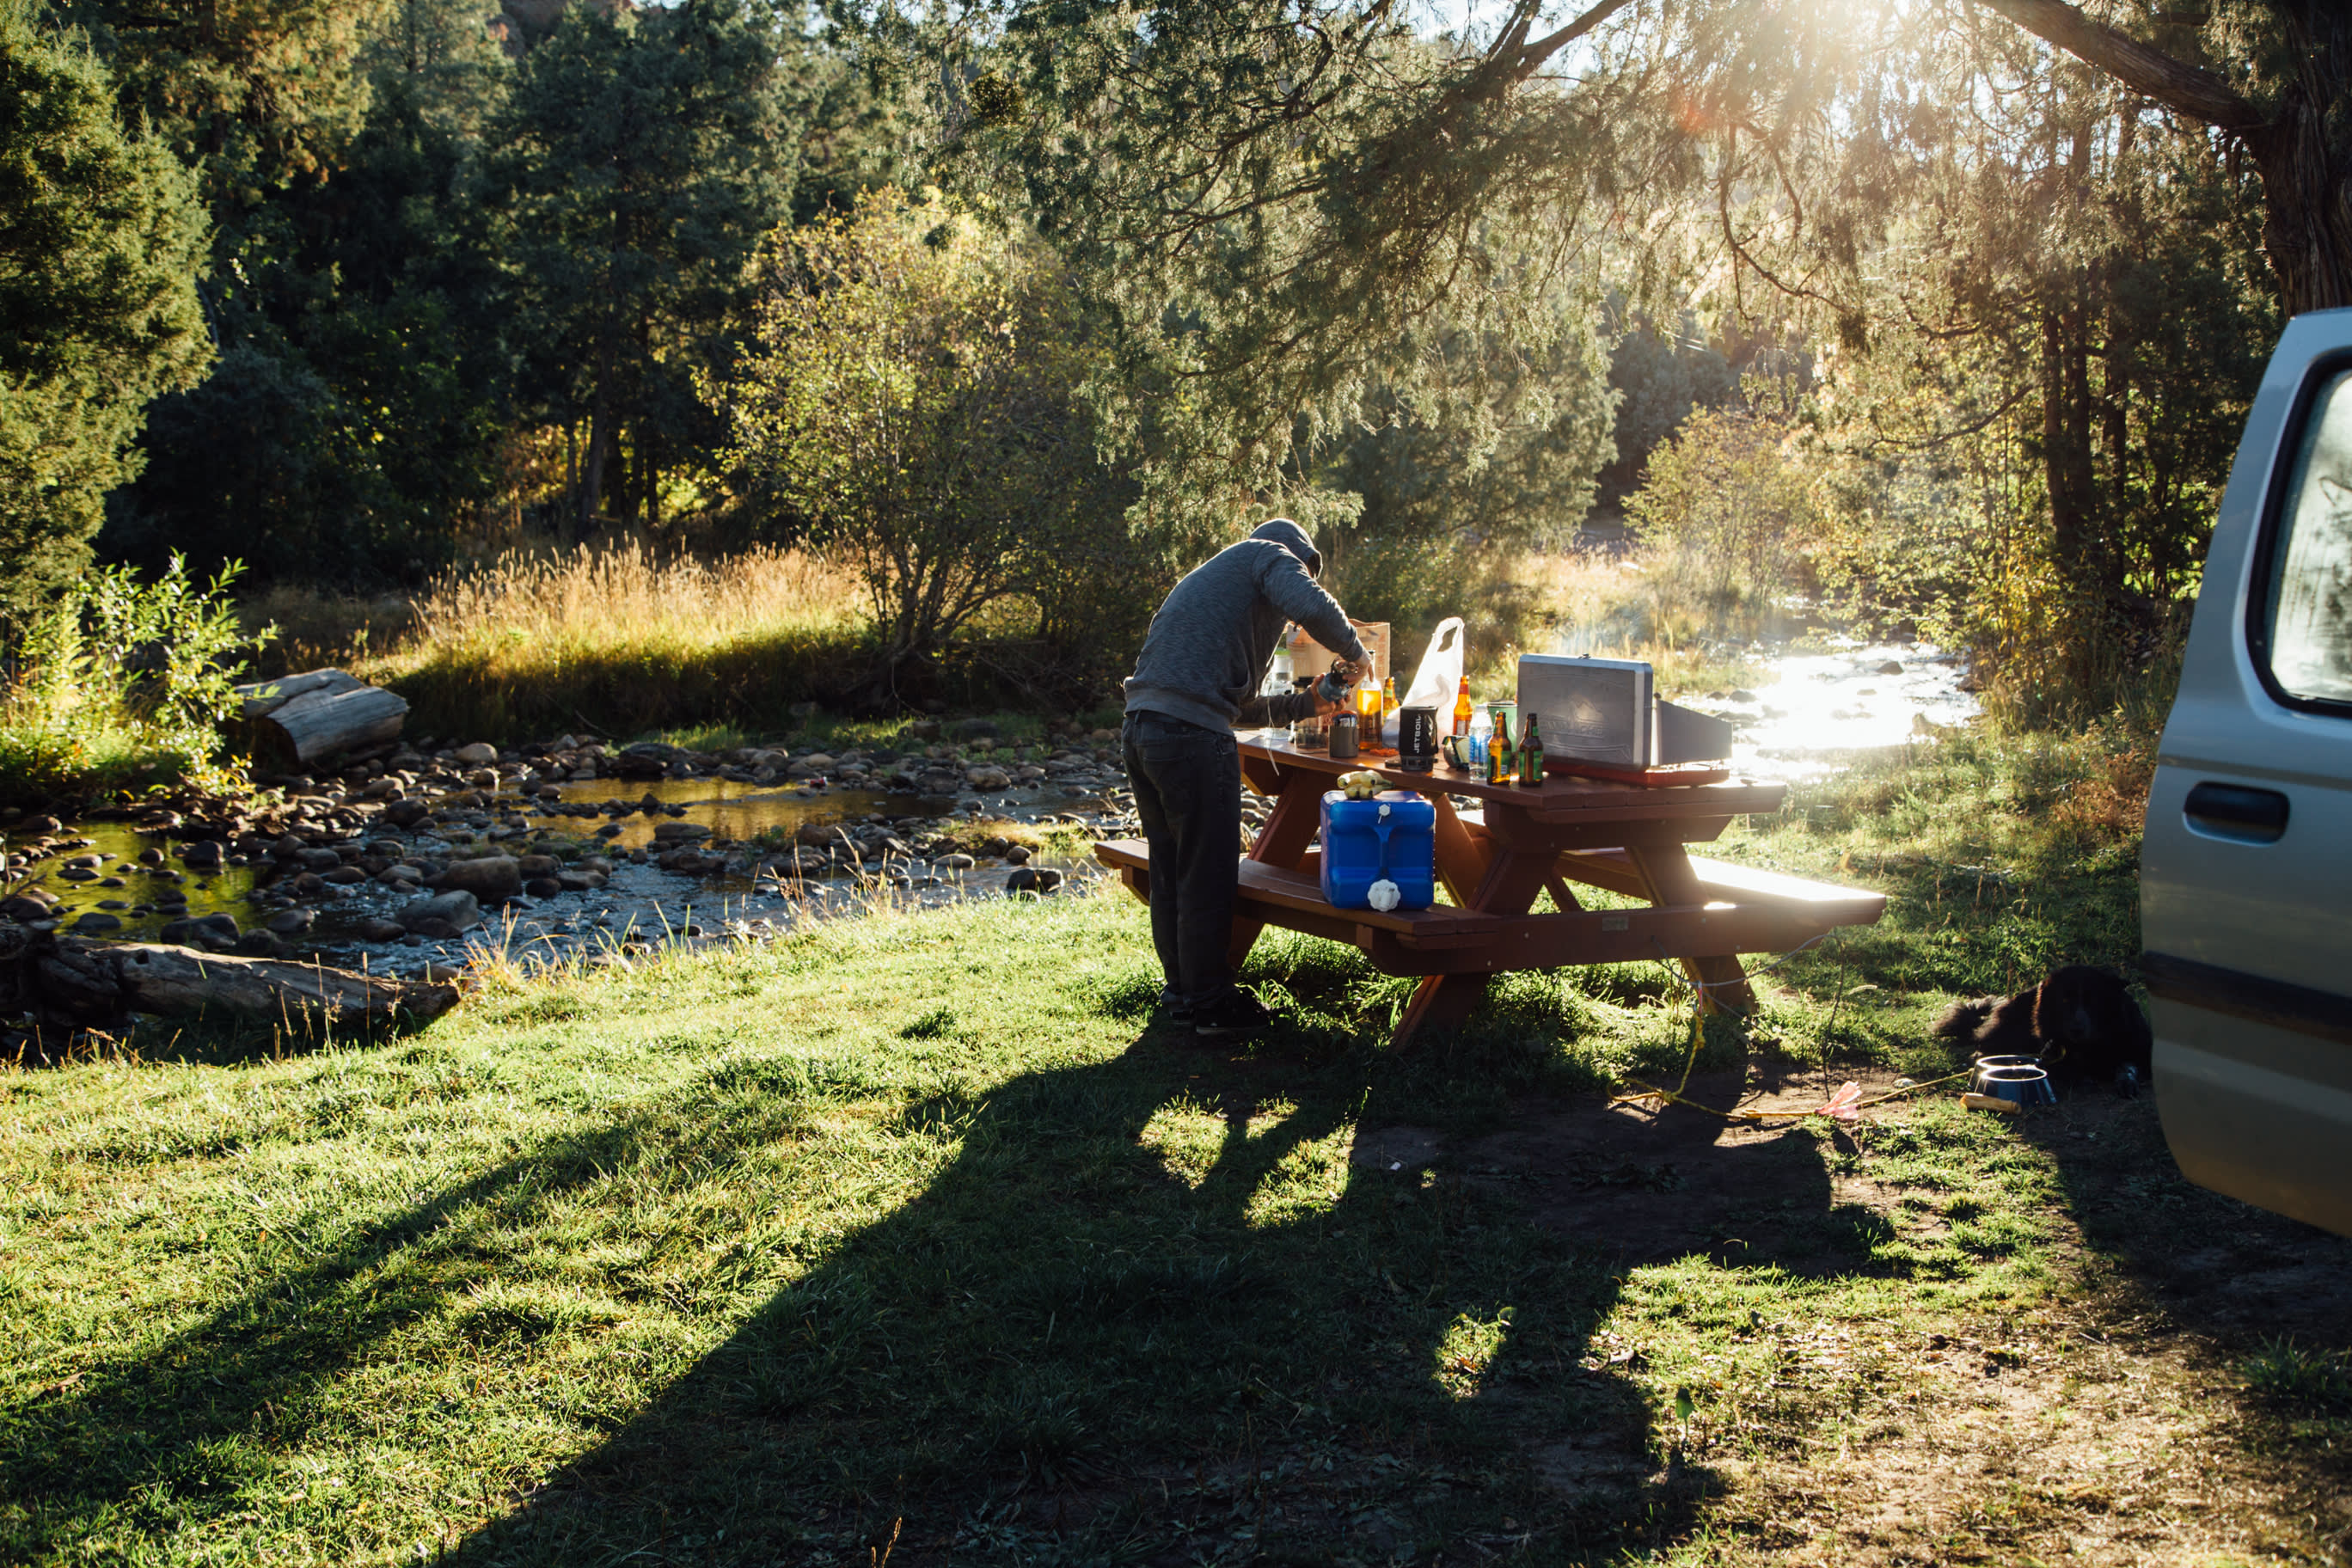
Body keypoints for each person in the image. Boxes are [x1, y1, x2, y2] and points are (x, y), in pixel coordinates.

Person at [1121, 518, 1369, 1038]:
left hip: (1143, 731)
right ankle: (1211, 1005)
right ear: (1297, 561)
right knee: (1207, 872)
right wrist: (1357, 652)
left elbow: (1235, 705)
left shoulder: (1212, 587)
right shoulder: (1267, 554)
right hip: (1189, 739)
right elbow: (1313, 605)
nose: (1285, 619)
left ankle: (1184, 996)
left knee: (1172, 868)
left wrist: (1308, 703)